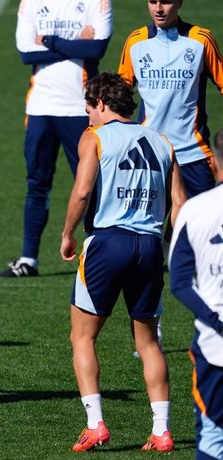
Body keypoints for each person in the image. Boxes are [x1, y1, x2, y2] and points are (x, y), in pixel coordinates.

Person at [60, 72, 187, 452]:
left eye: (88, 108)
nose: (87, 116)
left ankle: (95, 424)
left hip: (107, 242)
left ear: (100, 103)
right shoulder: (162, 141)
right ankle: (162, 431)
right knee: (148, 342)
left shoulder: (94, 137)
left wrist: (67, 234)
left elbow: (83, 192)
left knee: (83, 336)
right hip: (150, 245)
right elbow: (179, 202)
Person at [0, 0, 112, 277]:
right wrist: (74, 43)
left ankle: (97, 252)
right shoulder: (31, 3)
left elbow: (97, 49)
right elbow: (26, 53)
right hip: (40, 109)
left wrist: (48, 41)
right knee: (37, 183)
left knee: (90, 184)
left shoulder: (98, 2)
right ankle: (29, 260)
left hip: (81, 109)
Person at [118, 0, 222, 199]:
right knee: (147, 229)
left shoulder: (201, 40)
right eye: (152, 2)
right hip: (149, 157)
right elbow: (118, 97)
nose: (158, 9)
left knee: (198, 227)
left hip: (194, 156)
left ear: (180, 2)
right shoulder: (135, 42)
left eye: (165, 2)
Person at [169, 128, 223, 460]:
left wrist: (216, 320)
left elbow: (179, 282)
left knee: (212, 439)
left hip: (214, 347)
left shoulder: (194, 210)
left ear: (214, 162)